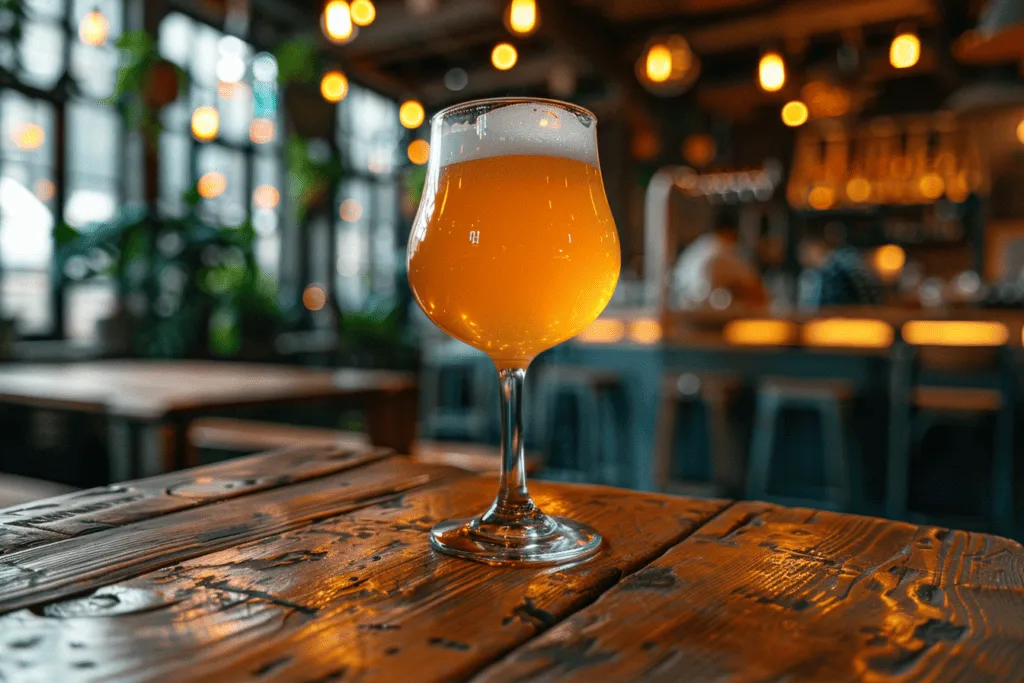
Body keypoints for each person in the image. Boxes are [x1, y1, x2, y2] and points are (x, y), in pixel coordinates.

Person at [671, 219, 766, 309]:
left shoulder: (698, 246)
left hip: (682, 310)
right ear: (730, 232)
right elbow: (758, 293)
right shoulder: (721, 249)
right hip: (704, 314)